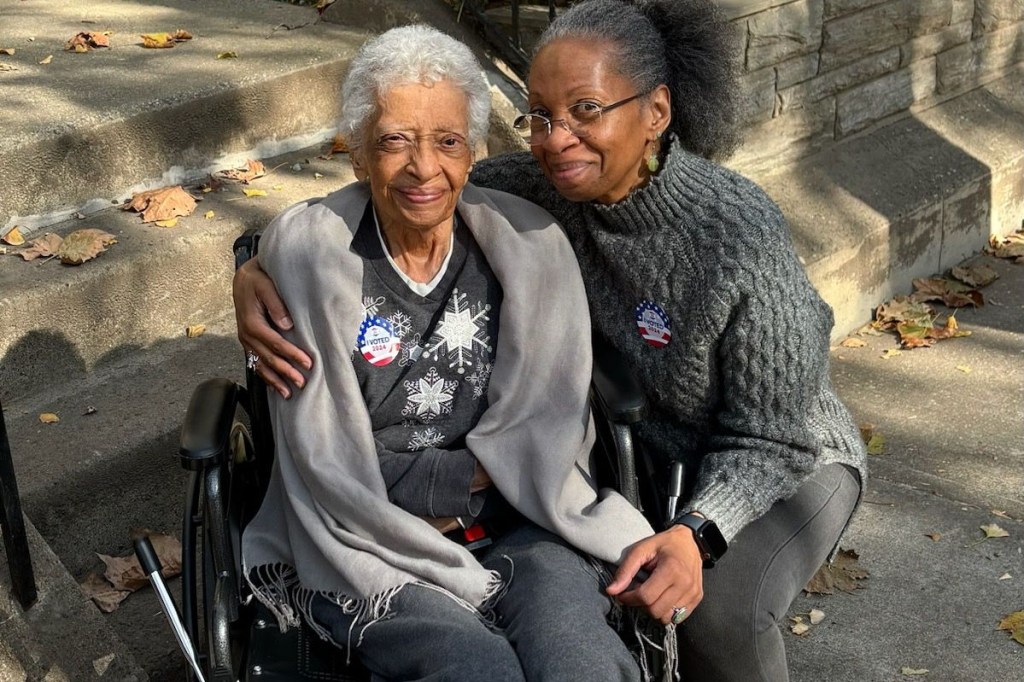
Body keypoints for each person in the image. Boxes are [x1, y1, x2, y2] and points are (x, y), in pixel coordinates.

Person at [236, 1, 868, 680]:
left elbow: (772, 436)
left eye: (586, 110)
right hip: (619, 460)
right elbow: (400, 184)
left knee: (717, 615)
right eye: (539, 116)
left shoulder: (738, 234)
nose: (556, 138)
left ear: (656, 112)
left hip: (777, 460)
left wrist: (697, 531)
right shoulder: (545, 187)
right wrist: (251, 265)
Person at [240, 24, 657, 682]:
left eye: (447, 141)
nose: (423, 168)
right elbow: (325, 454)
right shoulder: (310, 255)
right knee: (473, 667)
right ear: (356, 155)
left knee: (577, 660)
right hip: (366, 540)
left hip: (524, 521)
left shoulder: (531, 245)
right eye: (394, 141)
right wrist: (457, 484)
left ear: (474, 154)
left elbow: (545, 432)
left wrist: (474, 488)